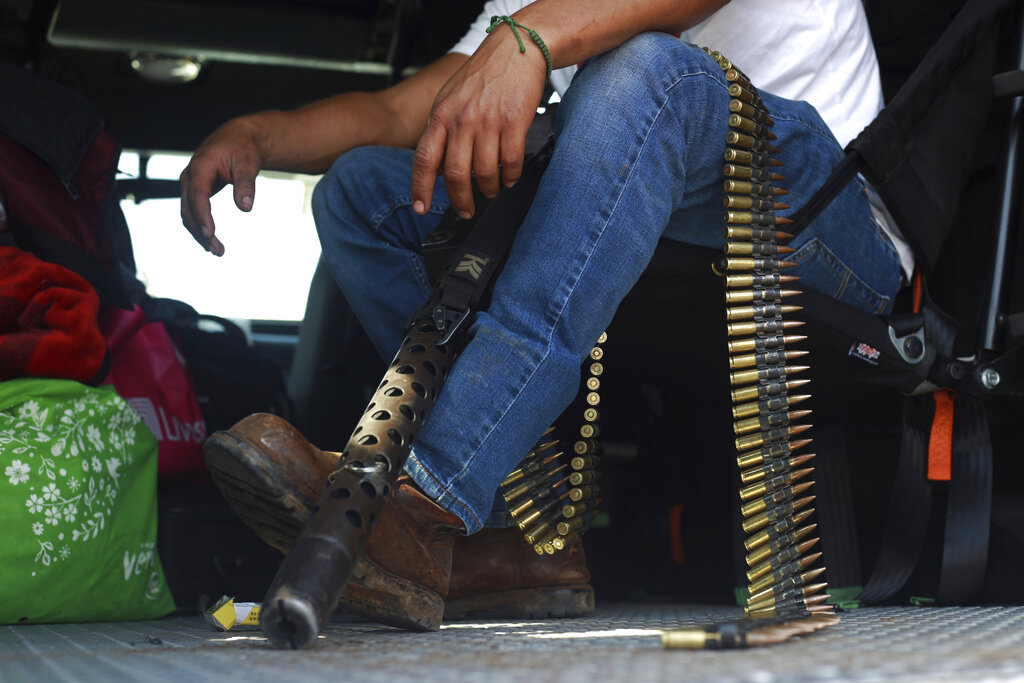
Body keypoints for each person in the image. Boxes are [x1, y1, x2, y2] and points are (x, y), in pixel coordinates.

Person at [183, 0, 908, 631]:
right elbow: (404, 113)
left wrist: (523, 37)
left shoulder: (546, 28)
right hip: (667, 259)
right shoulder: (531, 6)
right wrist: (256, 131)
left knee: (646, 74)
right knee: (364, 194)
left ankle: (422, 487)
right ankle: (512, 539)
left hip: (821, 236)